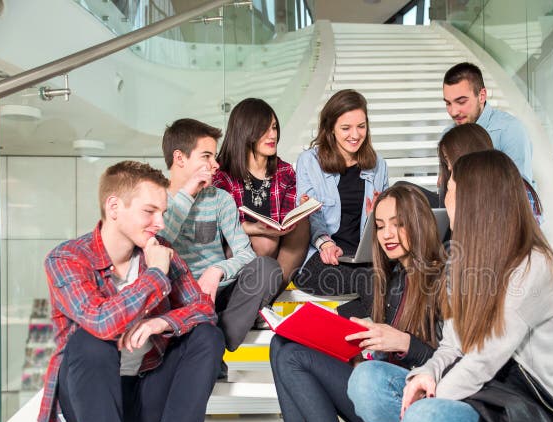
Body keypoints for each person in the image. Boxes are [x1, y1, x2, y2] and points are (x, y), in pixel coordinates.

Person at [348, 150, 553, 422]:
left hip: (518, 413)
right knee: (367, 380)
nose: (444, 199)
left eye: (449, 191)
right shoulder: (461, 263)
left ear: (474, 200)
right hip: (477, 395)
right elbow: (452, 348)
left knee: (424, 419)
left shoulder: (534, 267)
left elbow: (484, 361)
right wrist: (426, 374)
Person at [41, 161, 231, 422]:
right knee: (91, 340)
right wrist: (155, 276)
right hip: (86, 406)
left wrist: (163, 320)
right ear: (114, 208)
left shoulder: (160, 252)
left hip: (141, 400)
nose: (160, 222)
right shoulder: (68, 259)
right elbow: (100, 321)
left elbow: (203, 310)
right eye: (150, 211)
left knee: (207, 335)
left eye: (162, 211)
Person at [245, 184, 445, 422]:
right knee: (285, 344)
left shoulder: (444, 279)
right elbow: (340, 321)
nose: (387, 234)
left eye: (398, 223)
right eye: (379, 226)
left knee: (316, 361)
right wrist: (297, 325)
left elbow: (452, 362)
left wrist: (403, 342)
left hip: (411, 406)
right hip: (372, 393)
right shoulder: (383, 279)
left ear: (420, 222)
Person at [159, 118, 283, 379]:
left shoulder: (220, 199)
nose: (215, 165)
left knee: (268, 268)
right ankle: (207, 343)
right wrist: (188, 194)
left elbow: (245, 253)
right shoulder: (156, 199)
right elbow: (160, 243)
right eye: (207, 156)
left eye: (214, 157)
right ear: (179, 158)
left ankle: (215, 339)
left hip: (222, 295)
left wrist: (217, 270)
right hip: (181, 298)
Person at [293, 89, 389, 317]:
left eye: (361, 126)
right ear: (330, 129)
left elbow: (386, 222)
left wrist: (379, 214)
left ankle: (337, 320)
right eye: (346, 128)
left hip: (363, 256)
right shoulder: (310, 162)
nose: (355, 135)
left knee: (402, 278)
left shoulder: (378, 165)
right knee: (373, 282)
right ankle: (383, 347)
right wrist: (325, 244)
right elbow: (310, 215)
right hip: (320, 258)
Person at [213, 98, 310, 288]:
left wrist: (299, 211)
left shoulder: (285, 171)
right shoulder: (223, 174)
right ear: (246, 131)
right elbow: (217, 225)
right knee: (264, 241)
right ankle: (249, 295)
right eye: (264, 129)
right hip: (238, 252)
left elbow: (285, 218)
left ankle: (271, 292)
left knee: (302, 223)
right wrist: (253, 228)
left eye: (274, 127)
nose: (272, 135)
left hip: (278, 253)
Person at [442, 62, 542, 219]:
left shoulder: (509, 129)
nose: (454, 111)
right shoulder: (449, 133)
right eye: (448, 103)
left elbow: (521, 197)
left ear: (481, 96)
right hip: (462, 217)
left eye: (461, 102)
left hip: (502, 221)